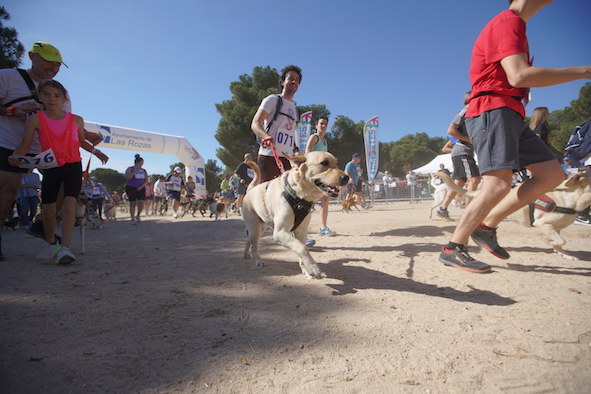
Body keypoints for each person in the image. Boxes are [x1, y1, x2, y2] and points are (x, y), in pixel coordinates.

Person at [439, 0, 591, 273]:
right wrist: (586, 71)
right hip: (492, 108)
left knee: (552, 175)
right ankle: (453, 248)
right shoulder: (507, 21)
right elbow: (519, 75)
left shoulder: (516, 24)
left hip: (510, 112)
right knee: (496, 184)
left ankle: (486, 226)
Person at [0, 42, 100, 260]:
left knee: (65, 195)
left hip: (50, 152)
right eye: (47, 61)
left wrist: (89, 137)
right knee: (6, 194)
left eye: (57, 64)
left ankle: (41, 227)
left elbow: (66, 124)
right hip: (11, 144)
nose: (53, 67)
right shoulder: (7, 77)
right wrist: (11, 110)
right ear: (32, 56)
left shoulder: (61, 91)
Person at [8, 79, 108, 264]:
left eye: (57, 96)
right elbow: (24, 146)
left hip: (72, 165)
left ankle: (65, 249)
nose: (52, 99)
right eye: (46, 94)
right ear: (40, 97)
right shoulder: (35, 119)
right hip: (50, 166)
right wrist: (16, 156)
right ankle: (50, 243)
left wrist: (96, 151)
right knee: (47, 209)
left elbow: (81, 141)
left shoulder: (76, 120)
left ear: (64, 100)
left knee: (69, 204)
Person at [435, 91, 482, 221]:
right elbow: (451, 130)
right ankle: (469, 213)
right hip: (463, 151)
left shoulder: (471, 114)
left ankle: (442, 208)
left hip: (461, 151)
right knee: (474, 180)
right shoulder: (464, 112)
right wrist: (469, 140)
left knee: (459, 183)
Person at [251, 65, 302, 182]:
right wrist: (266, 137)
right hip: (269, 156)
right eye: (291, 78)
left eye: (297, 80)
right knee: (266, 196)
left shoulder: (296, 109)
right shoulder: (272, 100)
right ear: (283, 81)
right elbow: (255, 123)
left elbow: (289, 133)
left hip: (287, 159)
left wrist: (296, 150)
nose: (294, 81)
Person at [305, 115, 336, 236]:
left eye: (325, 124)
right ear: (316, 125)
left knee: (325, 199)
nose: (323, 126)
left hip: (322, 175)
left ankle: (323, 228)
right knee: (308, 202)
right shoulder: (314, 137)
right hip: (313, 174)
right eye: (321, 123)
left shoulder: (325, 141)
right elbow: (307, 153)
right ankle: (301, 229)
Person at [125, 154, 149, 224]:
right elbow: (127, 177)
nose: (141, 164)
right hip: (131, 187)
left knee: (141, 202)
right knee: (133, 203)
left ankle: (138, 215)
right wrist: (134, 171)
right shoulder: (130, 168)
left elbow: (146, 180)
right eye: (140, 162)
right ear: (136, 162)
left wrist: (141, 186)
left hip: (141, 187)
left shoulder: (144, 170)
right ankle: (132, 218)